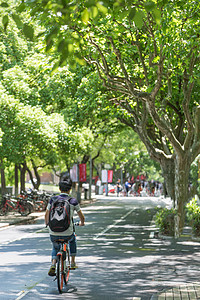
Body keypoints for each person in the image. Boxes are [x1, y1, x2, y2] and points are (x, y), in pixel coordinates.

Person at [45, 178, 85, 276]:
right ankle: (72, 262)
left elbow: (46, 214)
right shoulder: (73, 201)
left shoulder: (53, 199)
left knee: (55, 246)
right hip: (68, 232)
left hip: (53, 231)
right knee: (72, 240)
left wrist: (47, 225)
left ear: (59, 189)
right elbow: (81, 216)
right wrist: (82, 223)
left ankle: (53, 264)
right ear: (70, 189)